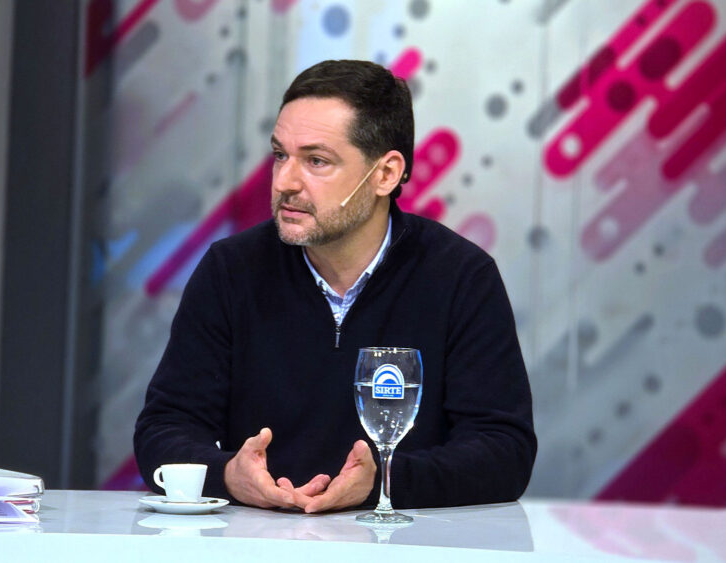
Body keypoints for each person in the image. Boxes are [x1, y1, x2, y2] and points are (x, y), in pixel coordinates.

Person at [134, 59, 535, 513]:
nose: (284, 182)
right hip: (255, 539)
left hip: (403, 541)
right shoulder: (231, 270)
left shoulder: (460, 276)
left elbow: (505, 451)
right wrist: (228, 475)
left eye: (316, 161)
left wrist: (381, 483)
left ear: (385, 174)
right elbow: (163, 431)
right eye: (280, 155)